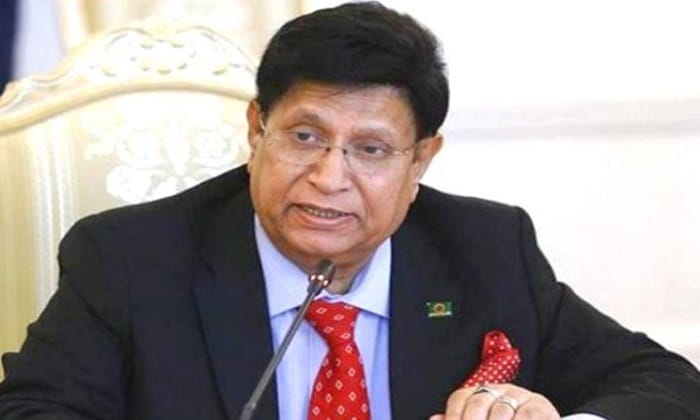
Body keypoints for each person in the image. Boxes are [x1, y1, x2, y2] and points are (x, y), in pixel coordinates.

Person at [1, 2, 699, 419]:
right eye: (304, 137)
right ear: (256, 130)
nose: (328, 178)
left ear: (420, 160)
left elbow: (667, 385)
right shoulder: (130, 260)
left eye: (370, 149)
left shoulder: (486, 247)